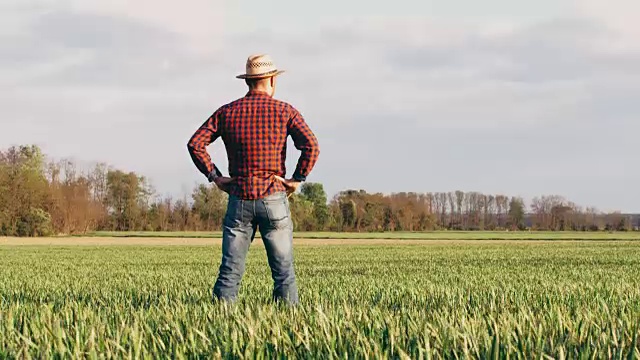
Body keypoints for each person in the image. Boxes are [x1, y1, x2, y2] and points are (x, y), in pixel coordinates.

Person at [187, 54, 320, 304]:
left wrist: (215, 176)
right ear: (271, 80)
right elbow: (311, 146)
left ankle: (220, 325)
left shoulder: (227, 112)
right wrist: (297, 178)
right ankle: (288, 327)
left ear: (248, 81)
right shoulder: (285, 111)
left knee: (230, 271)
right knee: (283, 273)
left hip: (239, 197)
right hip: (274, 196)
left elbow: (195, 144)